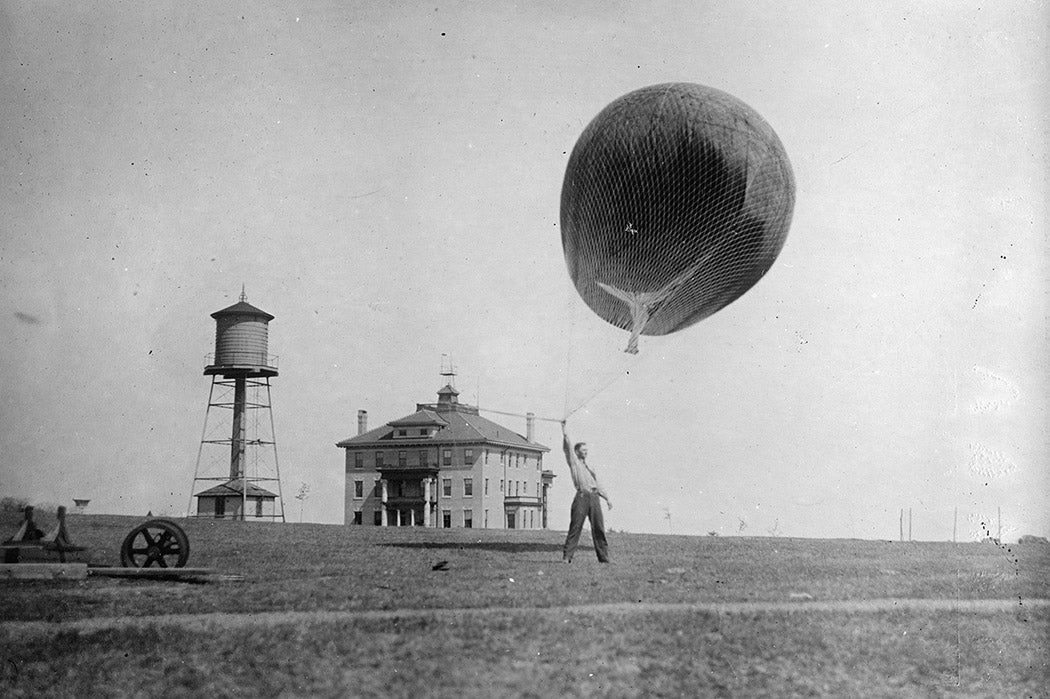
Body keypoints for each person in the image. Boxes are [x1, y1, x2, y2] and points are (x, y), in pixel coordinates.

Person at [560, 421, 612, 563]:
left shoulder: (590, 467)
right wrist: (564, 431)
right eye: (583, 450)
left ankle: (604, 557)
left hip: (594, 498)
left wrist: (607, 498)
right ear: (577, 452)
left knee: (599, 528)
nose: (586, 452)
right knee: (576, 526)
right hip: (582, 497)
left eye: (586, 450)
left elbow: (597, 485)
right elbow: (568, 448)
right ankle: (567, 557)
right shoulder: (574, 463)